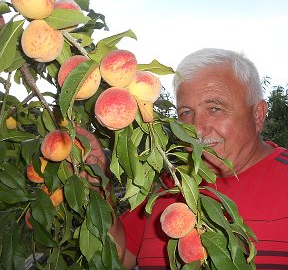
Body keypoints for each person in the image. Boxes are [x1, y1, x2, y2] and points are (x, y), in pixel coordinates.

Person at [87, 48, 288, 269]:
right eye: (186, 113)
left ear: (258, 114)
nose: (196, 130)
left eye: (215, 108)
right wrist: (98, 186)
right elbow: (116, 259)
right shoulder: (167, 185)